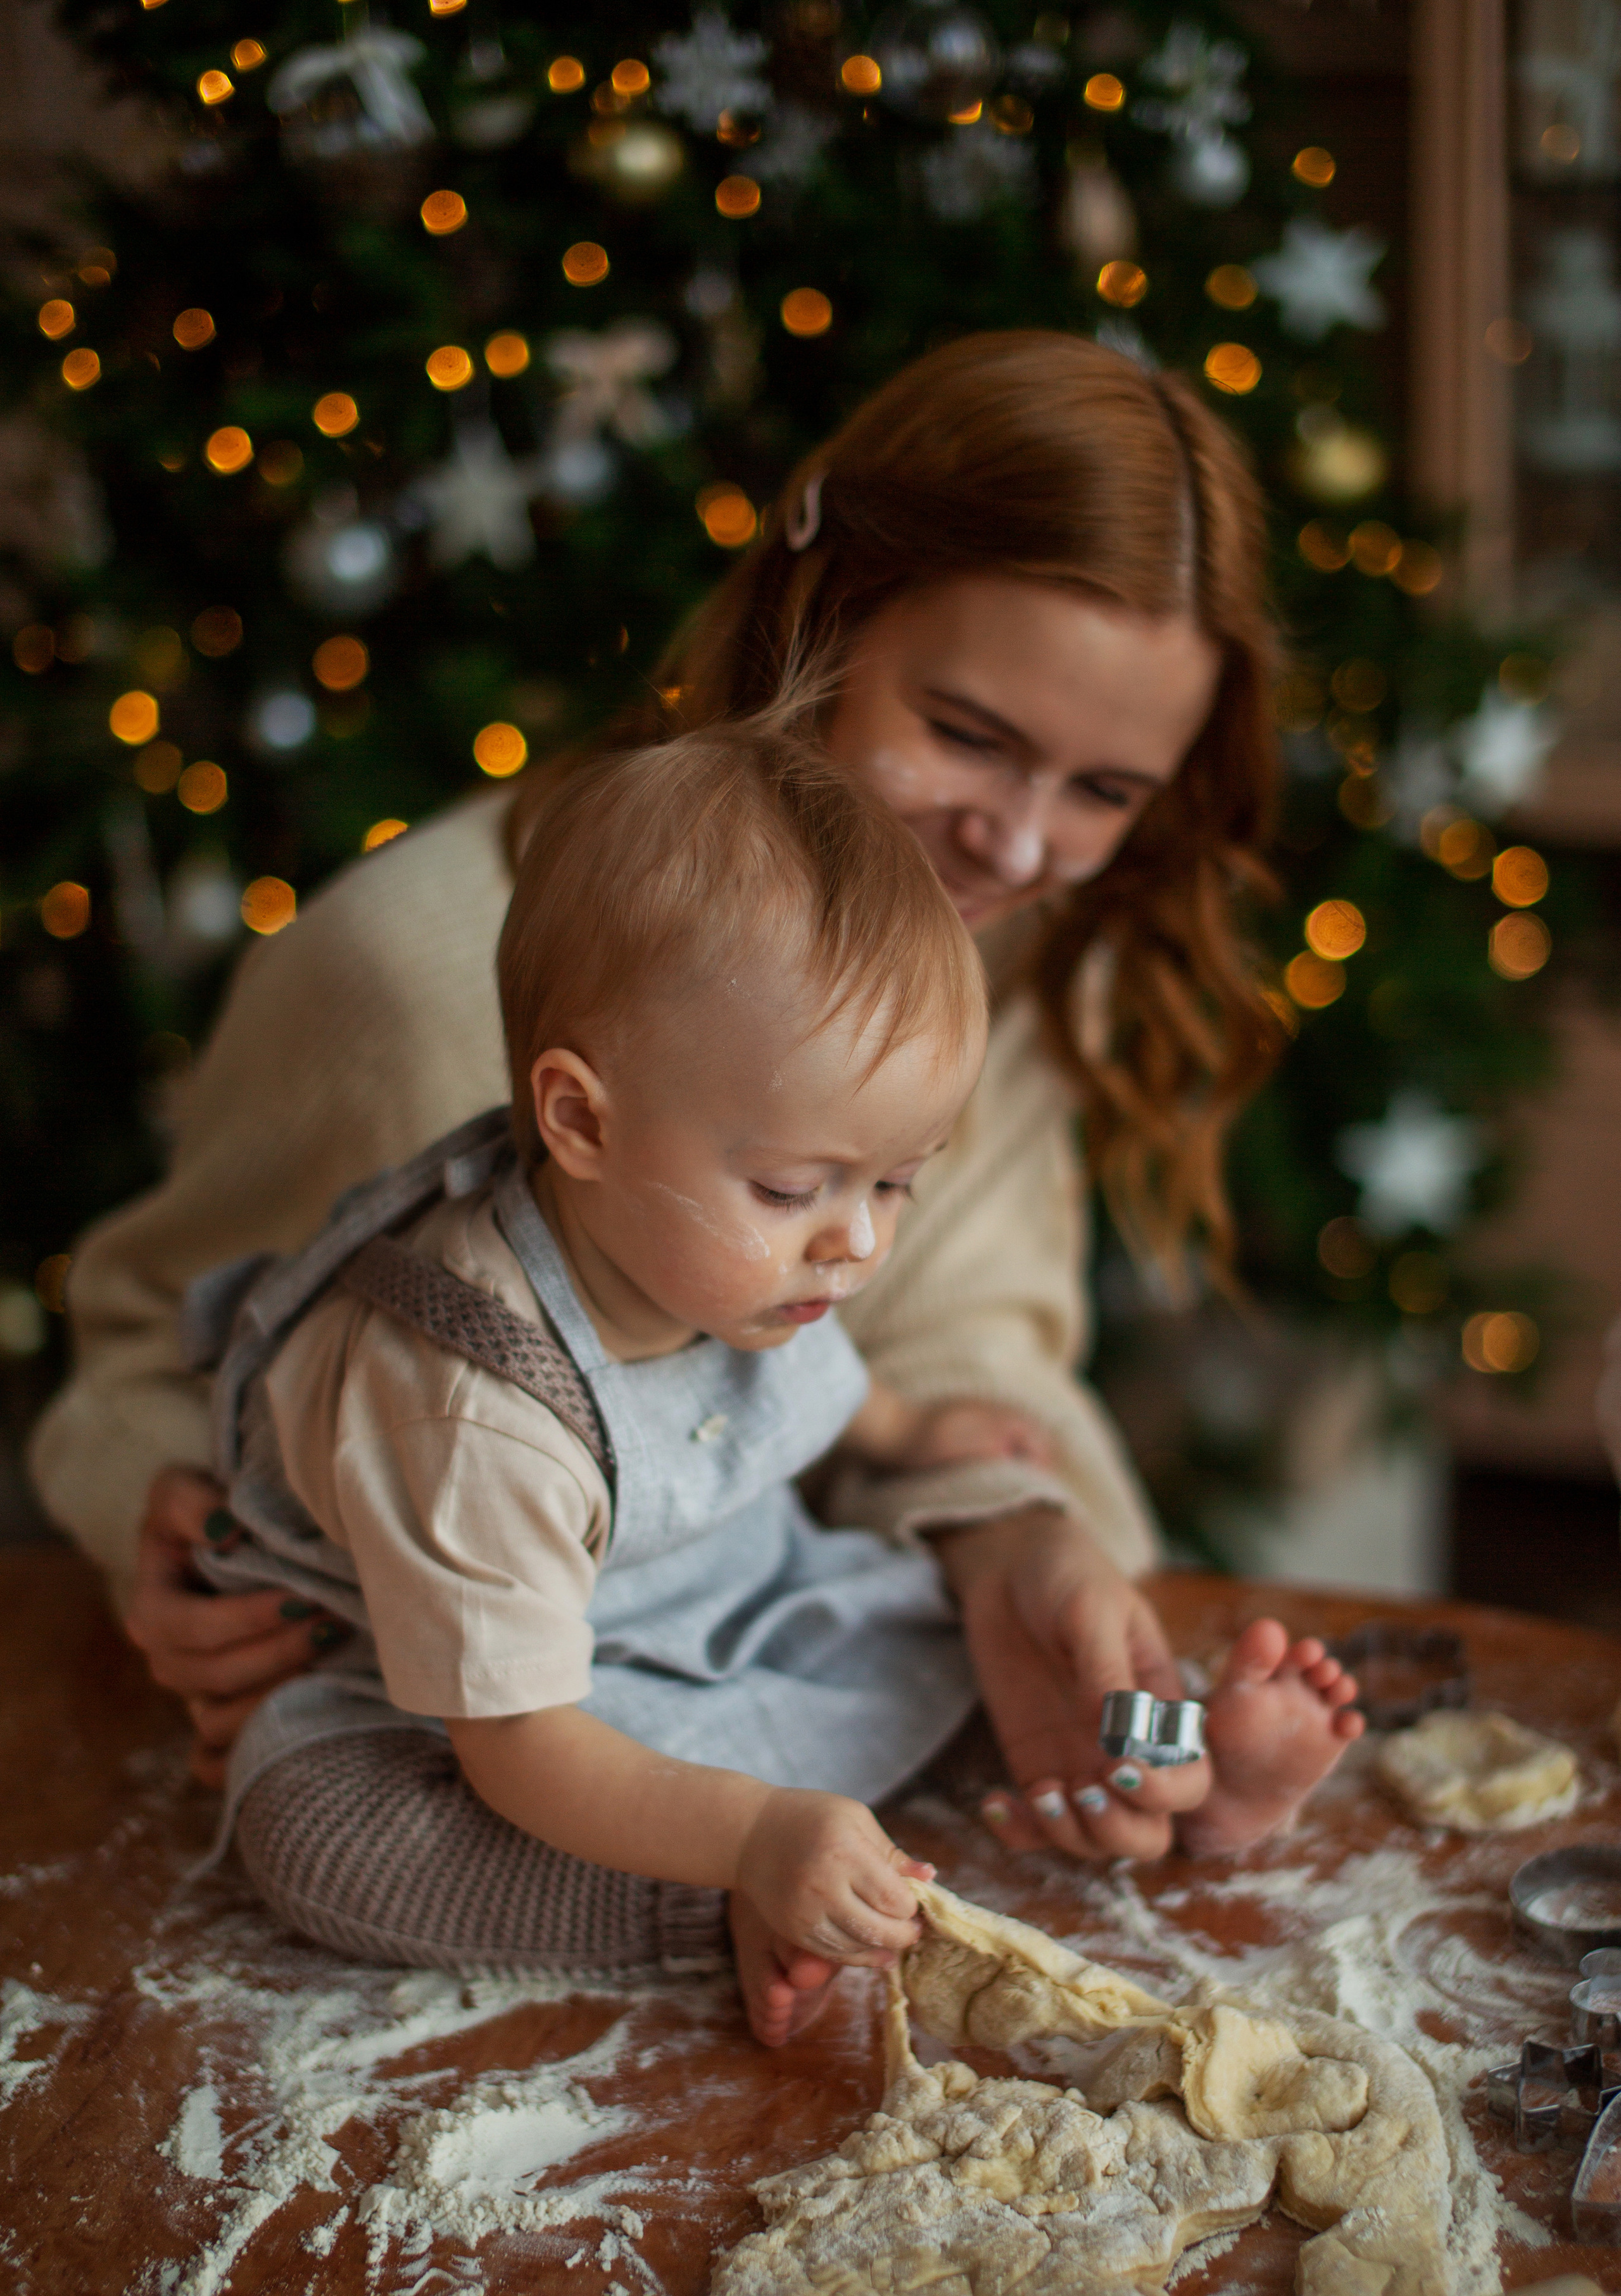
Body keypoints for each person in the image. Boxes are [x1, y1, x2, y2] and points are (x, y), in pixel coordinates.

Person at [30, 330, 1319, 1868]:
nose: (1022, 847)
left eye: (1104, 792)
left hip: (772, 1640)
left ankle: (1192, 1771)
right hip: (484, 1697)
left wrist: (1007, 1531)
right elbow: (149, 1346)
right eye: (968, 738)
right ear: (818, 617)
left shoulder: (1019, 954)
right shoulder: (407, 978)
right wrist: (168, 1512)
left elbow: (952, 1343)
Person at [196, 713, 1361, 2043]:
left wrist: (909, 1430)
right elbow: (519, 1746)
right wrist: (747, 1836)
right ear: (579, 1120)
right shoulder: (472, 1405)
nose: (854, 1242)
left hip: (746, 1614)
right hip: (502, 1712)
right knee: (320, 1832)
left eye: (895, 1183)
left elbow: (822, 1380)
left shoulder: (726, 1244)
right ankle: (721, 1902)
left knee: (974, 1647)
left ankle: (1182, 1759)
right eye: (796, 1187)